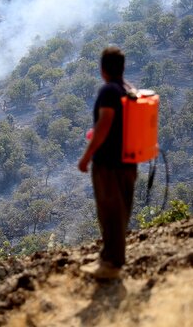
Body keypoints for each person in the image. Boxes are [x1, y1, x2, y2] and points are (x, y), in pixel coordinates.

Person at [78, 46, 138, 279]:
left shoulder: (108, 92)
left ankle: (111, 265)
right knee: (120, 212)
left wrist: (86, 157)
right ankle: (110, 258)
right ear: (122, 68)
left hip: (108, 164)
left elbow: (104, 126)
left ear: (103, 69)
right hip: (128, 163)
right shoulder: (129, 89)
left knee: (109, 212)